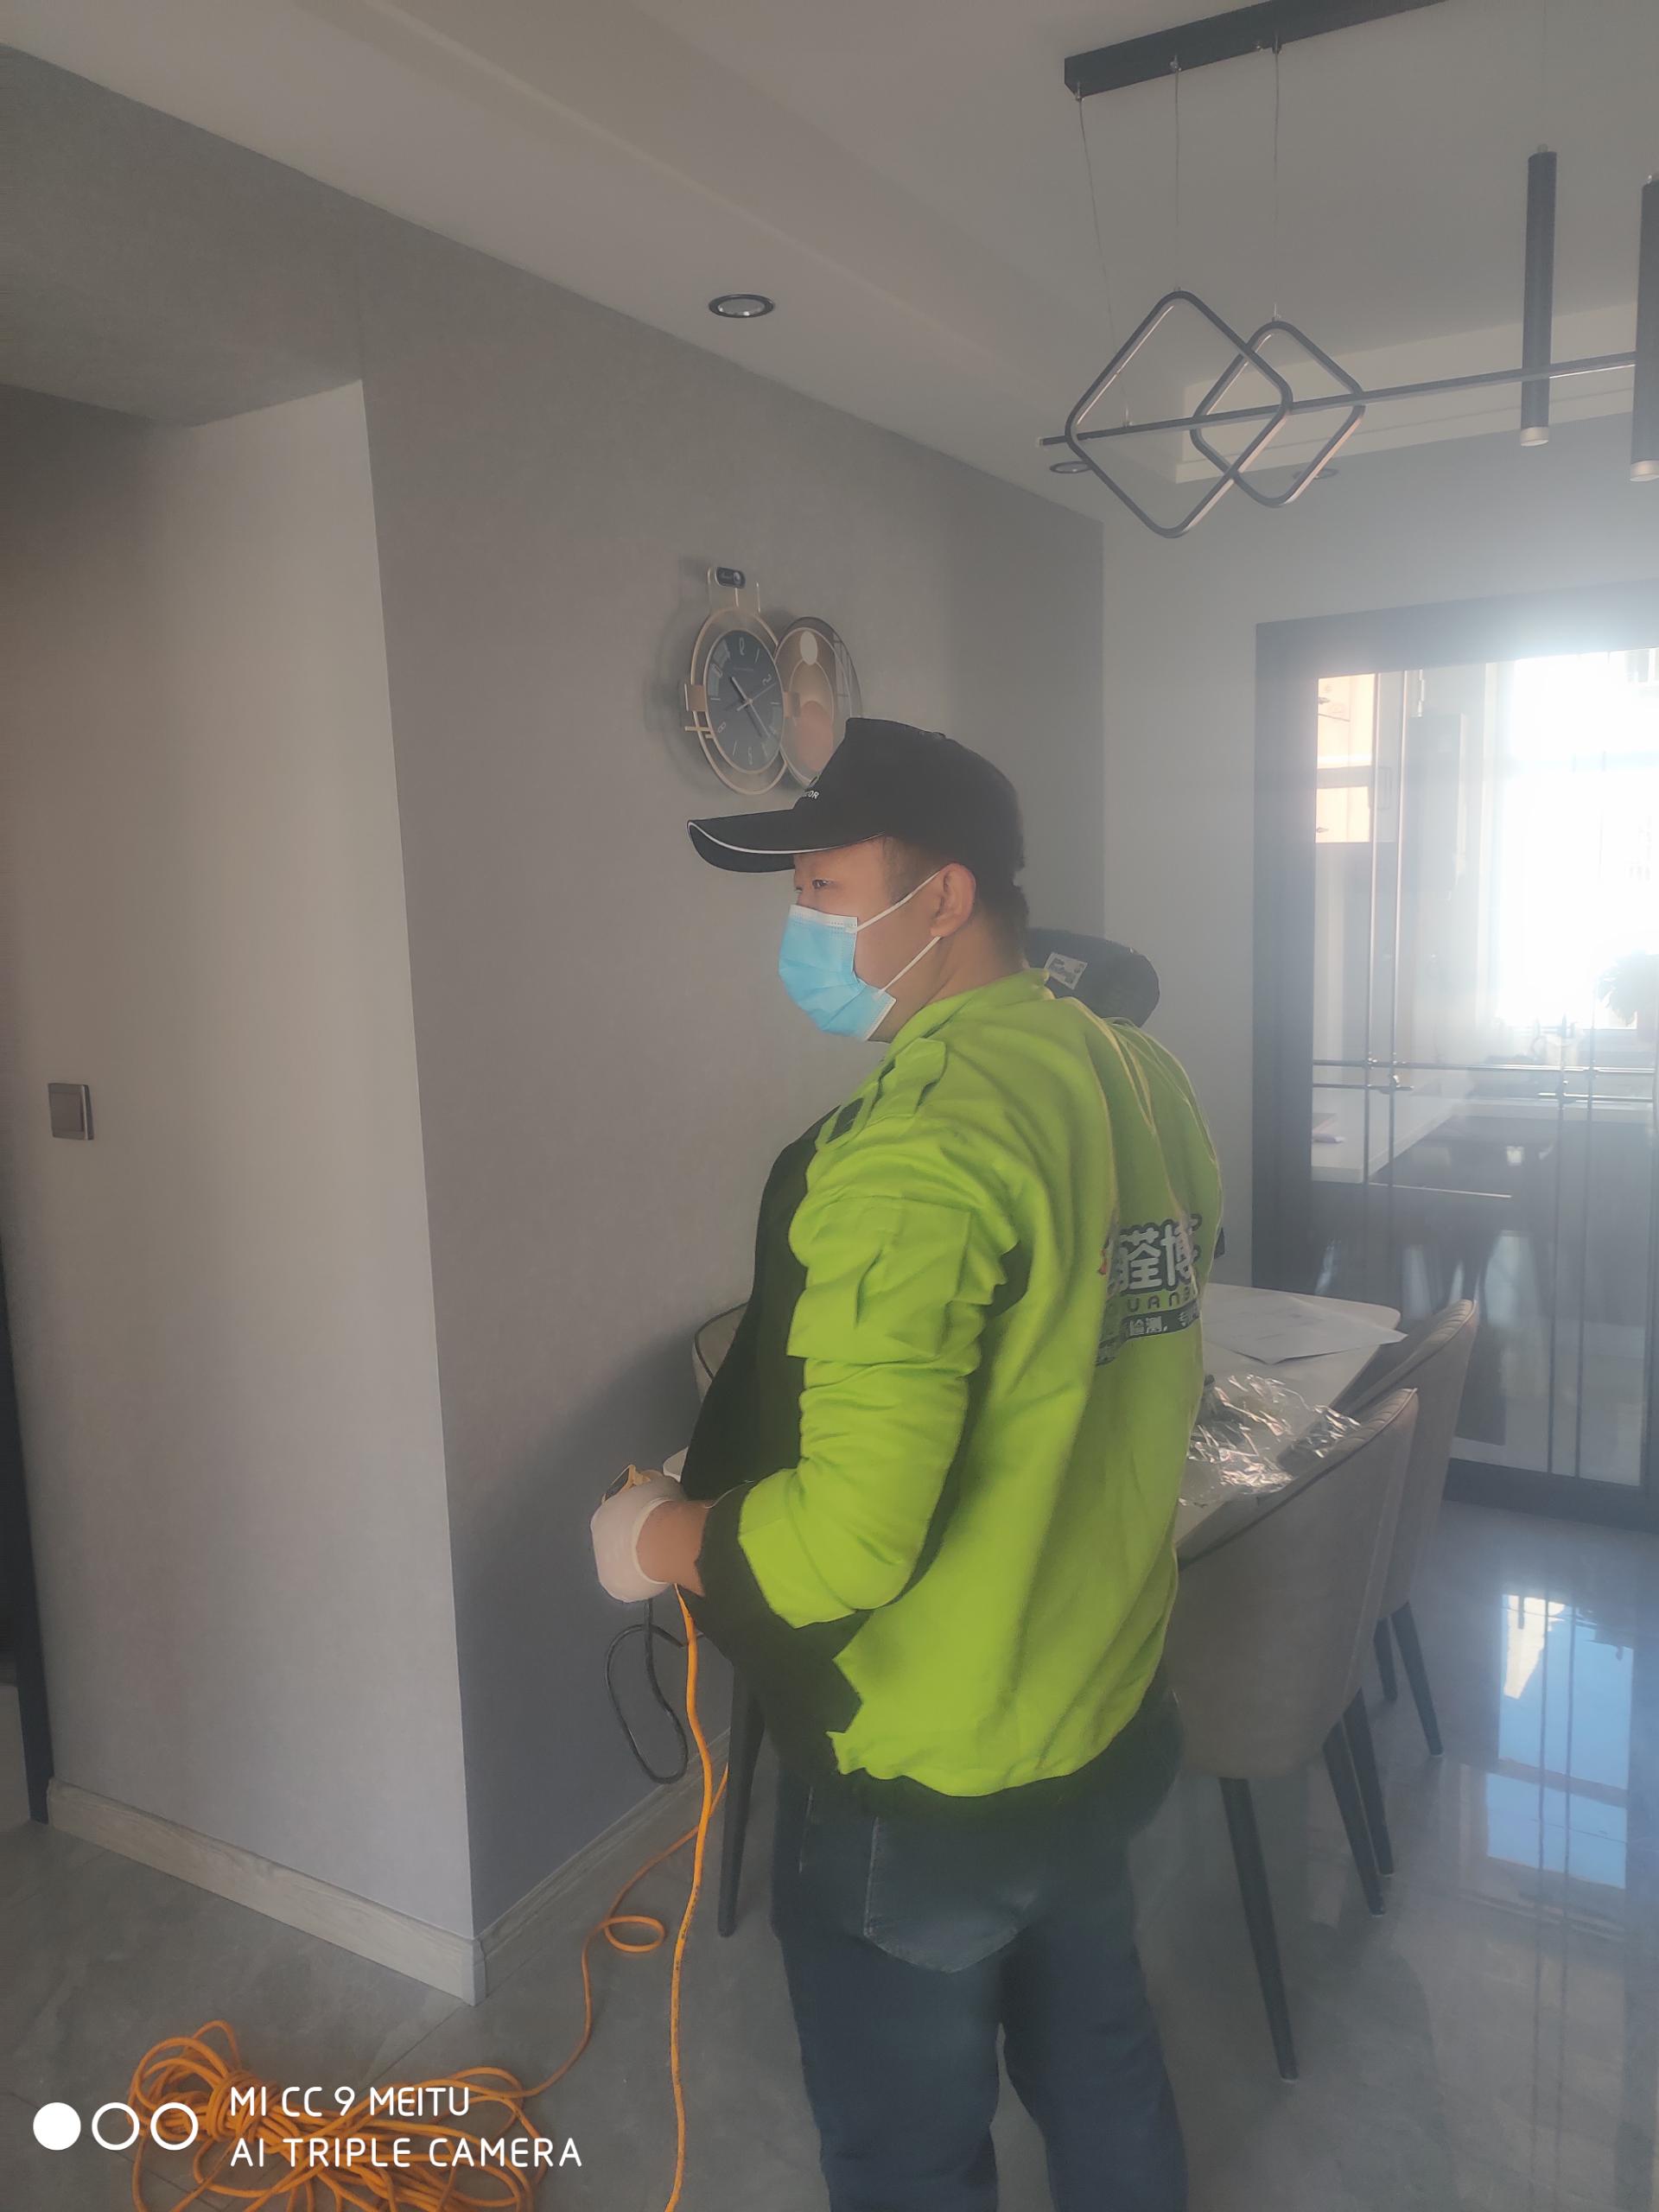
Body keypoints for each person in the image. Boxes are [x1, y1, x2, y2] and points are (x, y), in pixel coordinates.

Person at [589, 719, 1222, 2212]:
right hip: (1093, 1710)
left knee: (910, 2156)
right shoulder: (1139, 1076)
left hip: (930, 1768)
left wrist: (656, 1536)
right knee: (1102, 2062)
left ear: (942, 896)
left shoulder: (915, 1145)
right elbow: (1087, 1357)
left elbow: (848, 1549)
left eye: (822, 887)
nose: (801, 926)